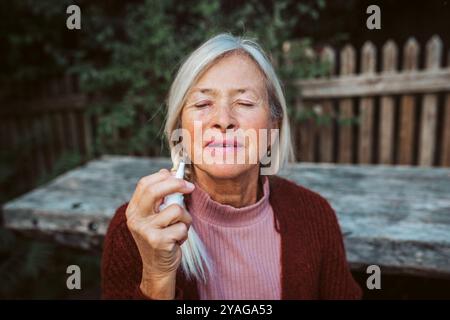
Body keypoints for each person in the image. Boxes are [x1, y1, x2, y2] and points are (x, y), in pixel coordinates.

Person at [101, 33, 362, 300]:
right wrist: (157, 275)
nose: (223, 120)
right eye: (202, 103)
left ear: (274, 126)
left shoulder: (314, 216)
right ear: (181, 129)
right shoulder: (138, 230)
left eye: (245, 103)